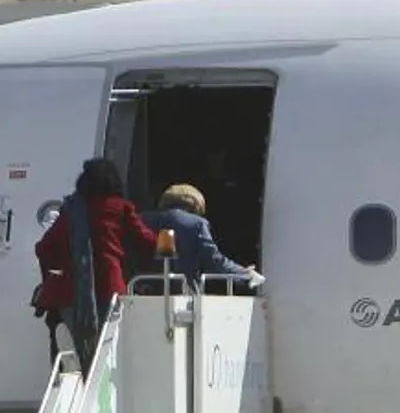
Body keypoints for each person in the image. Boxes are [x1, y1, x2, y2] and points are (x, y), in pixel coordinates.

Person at [33, 158, 157, 370]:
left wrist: (68, 264)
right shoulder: (121, 209)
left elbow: (44, 249)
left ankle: (80, 384)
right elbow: (148, 242)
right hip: (109, 286)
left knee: (80, 348)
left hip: (70, 292)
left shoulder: (71, 210)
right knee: (108, 348)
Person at [140, 183, 261, 293]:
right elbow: (214, 260)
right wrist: (244, 274)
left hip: (142, 290)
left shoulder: (142, 219)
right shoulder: (197, 223)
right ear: (195, 204)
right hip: (183, 291)